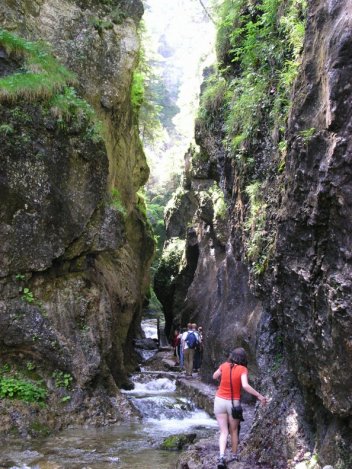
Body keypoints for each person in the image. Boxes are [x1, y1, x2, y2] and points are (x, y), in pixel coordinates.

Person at [213, 347, 267, 468]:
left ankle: (221, 457)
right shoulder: (243, 369)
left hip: (219, 400)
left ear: (231, 356)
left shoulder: (224, 365)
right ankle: (234, 455)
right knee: (234, 431)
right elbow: (245, 386)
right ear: (243, 358)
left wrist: (222, 380)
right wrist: (259, 396)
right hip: (233, 403)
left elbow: (214, 376)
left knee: (223, 431)